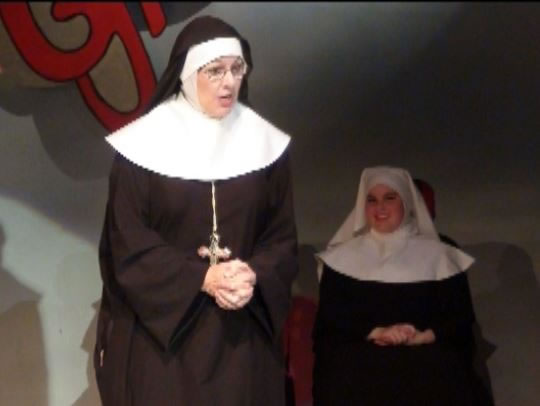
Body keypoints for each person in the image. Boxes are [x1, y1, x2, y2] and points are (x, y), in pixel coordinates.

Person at [94, 15, 298, 406]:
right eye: (215, 71)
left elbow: (281, 236)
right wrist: (202, 278)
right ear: (187, 75)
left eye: (237, 69)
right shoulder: (141, 147)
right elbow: (127, 241)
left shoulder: (266, 146)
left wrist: (253, 274)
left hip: (243, 338)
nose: (229, 82)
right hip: (165, 340)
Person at [312, 166, 491, 405]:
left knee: (444, 370)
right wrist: (377, 332)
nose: (380, 208)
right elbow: (332, 318)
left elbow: (460, 317)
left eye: (389, 198)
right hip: (362, 357)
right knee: (346, 371)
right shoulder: (341, 258)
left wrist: (424, 336)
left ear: (406, 202)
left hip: (427, 356)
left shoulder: (440, 256)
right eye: (372, 200)